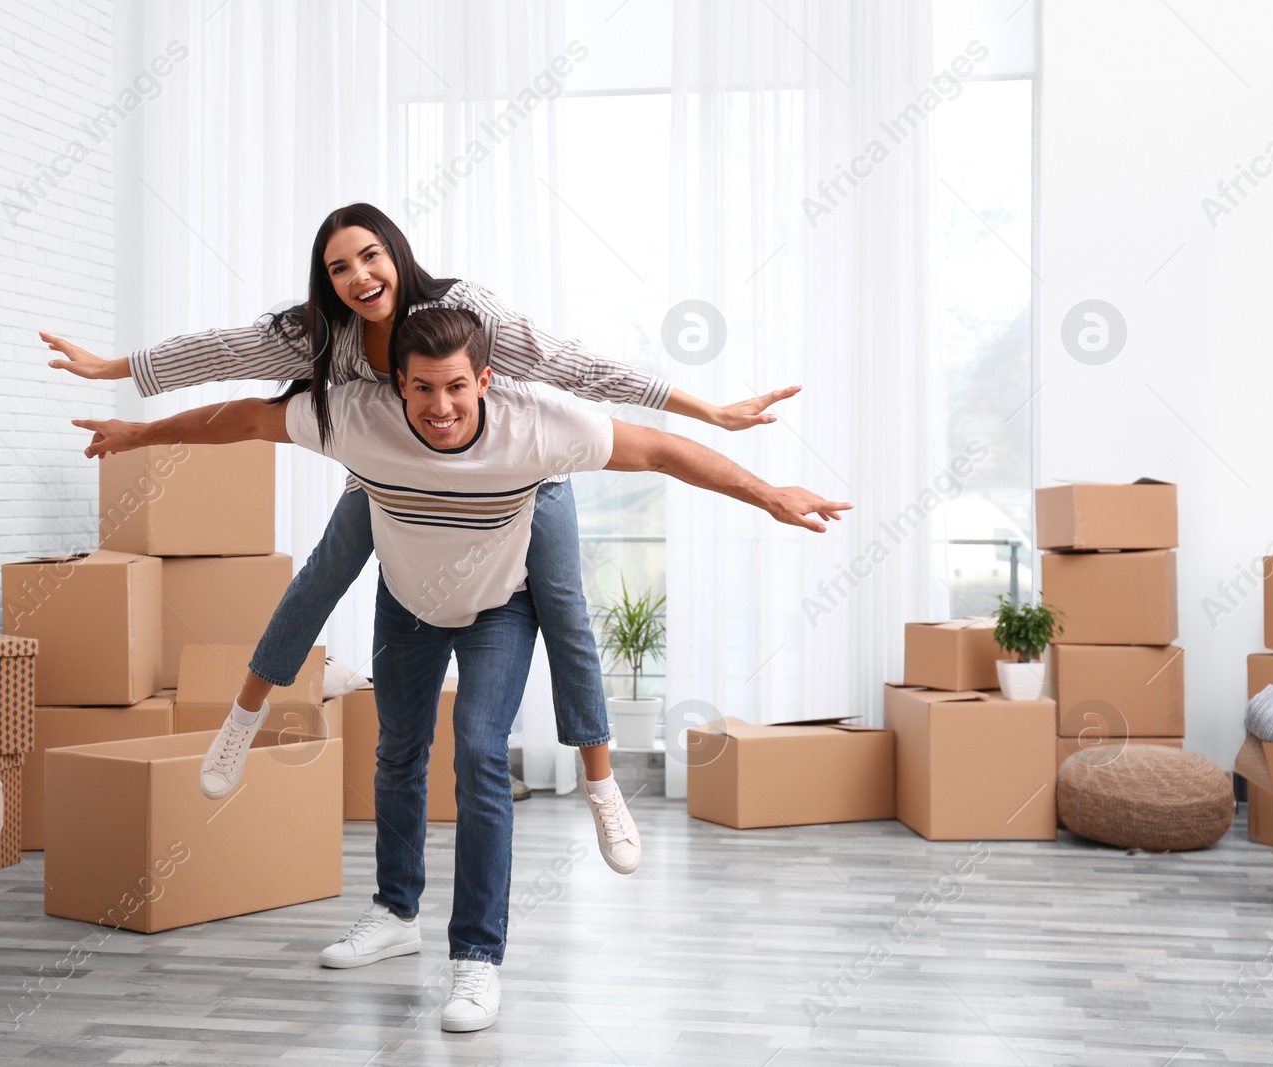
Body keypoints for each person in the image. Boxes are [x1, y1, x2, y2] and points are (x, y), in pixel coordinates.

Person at [72, 307, 851, 1032]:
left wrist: (767, 493)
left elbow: (662, 450)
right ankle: (394, 915)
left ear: (484, 380)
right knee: (398, 754)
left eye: (455, 387)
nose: (439, 406)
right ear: (396, 386)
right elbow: (244, 417)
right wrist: (136, 435)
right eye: (421, 388)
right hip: (408, 602)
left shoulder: (541, 430)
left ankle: (477, 957)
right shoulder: (357, 417)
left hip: (499, 610)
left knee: (479, 753)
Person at [44, 204, 798, 875]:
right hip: (392, 469)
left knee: (562, 603)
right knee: (323, 571)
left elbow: (578, 366)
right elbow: (224, 359)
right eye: (338, 266)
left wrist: (711, 412)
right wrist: (115, 373)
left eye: (370, 255)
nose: (358, 275)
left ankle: (601, 782)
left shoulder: (468, 315)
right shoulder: (323, 334)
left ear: (396, 254)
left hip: (518, 473)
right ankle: (243, 718)